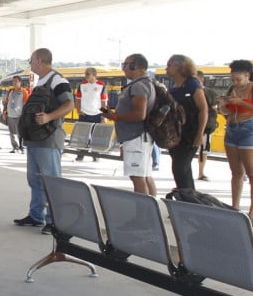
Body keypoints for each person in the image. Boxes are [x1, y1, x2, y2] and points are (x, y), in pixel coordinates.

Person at [14, 48, 74, 233]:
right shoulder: (42, 81)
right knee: (35, 179)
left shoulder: (57, 80)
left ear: (39, 61)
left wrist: (49, 117)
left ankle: (55, 220)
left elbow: (70, 103)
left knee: (51, 181)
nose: (30, 64)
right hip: (35, 139)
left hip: (48, 138)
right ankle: (36, 215)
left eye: (31, 60)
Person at [218, 60, 253, 217]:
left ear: (247, 76)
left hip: (251, 130)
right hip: (232, 129)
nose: (235, 83)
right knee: (236, 172)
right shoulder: (232, 88)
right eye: (232, 79)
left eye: (238, 79)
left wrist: (241, 102)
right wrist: (223, 104)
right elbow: (224, 111)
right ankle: (235, 207)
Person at [106, 54, 156, 195]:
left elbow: (139, 115)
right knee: (145, 176)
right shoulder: (145, 84)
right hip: (140, 137)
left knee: (137, 177)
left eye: (126, 64)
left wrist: (114, 116)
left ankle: (143, 213)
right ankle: (152, 211)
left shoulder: (139, 86)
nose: (124, 68)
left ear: (137, 66)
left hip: (135, 138)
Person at [165, 55, 208, 191]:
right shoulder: (175, 85)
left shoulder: (192, 83)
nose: (167, 68)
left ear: (179, 66)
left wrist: (199, 134)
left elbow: (203, 109)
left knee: (180, 167)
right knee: (180, 168)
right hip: (176, 133)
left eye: (170, 65)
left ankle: (188, 199)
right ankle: (186, 197)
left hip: (189, 133)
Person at [73, 67, 107, 161]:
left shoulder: (101, 85)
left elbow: (104, 102)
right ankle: (80, 155)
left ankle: (96, 155)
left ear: (94, 75)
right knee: (82, 136)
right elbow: (78, 99)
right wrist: (78, 110)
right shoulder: (82, 85)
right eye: (85, 74)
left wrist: (104, 116)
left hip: (97, 114)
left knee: (95, 136)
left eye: (88, 74)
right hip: (84, 114)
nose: (86, 76)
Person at [196, 70, 219, 181]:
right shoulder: (209, 92)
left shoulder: (209, 93)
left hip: (204, 126)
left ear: (201, 79)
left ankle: (200, 172)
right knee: (202, 149)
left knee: (203, 149)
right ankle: (200, 172)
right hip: (202, 125)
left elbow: (214, 109)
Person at [4, 75, 29, 153]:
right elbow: (6, 102)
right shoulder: (10, 91)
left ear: (20, 82)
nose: (14, 82)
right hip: (10, 115)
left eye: (16, 81)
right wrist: (5, 111)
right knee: (12, 133)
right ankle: (15, 147)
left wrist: (24, 115)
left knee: (20, 132)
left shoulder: (23, 91)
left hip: (19, 115)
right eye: (13, 81)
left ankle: (22, 147)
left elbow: (26, 103)